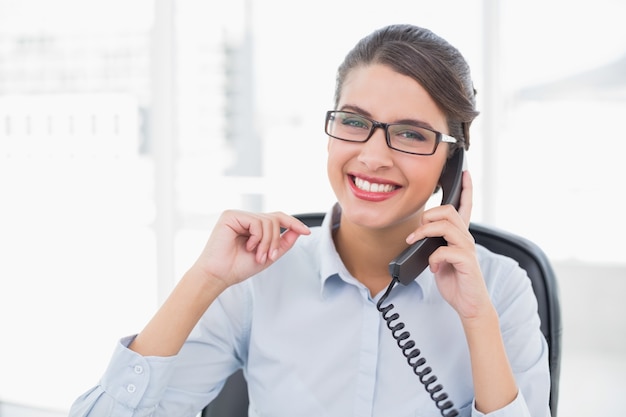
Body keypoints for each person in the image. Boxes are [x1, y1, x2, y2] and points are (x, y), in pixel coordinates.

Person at [69, 24, 550, 417]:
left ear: (451, 163)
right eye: (355, 122)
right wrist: (204, 281)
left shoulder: (500, 290)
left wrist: (475, 319)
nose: (374, 156)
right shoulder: (261, 276)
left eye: (410, 133)